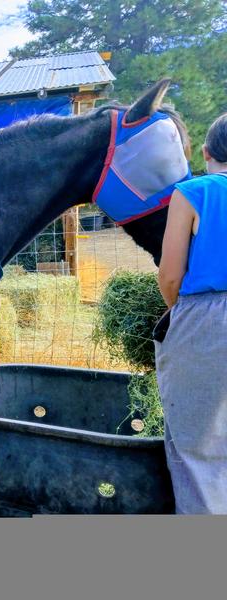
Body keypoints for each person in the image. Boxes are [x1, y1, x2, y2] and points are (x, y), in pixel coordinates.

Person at [156, 113, 227, 514]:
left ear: (205, 153)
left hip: (207, 318)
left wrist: (180, 319)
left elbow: (170, 276)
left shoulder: (193, 192)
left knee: (199, 445)